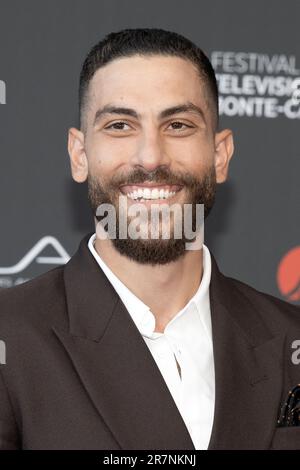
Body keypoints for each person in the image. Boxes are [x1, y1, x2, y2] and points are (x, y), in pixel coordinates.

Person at [0, 28, 299, 450]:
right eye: (120, 125)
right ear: (80, 155)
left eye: (177, 125)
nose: (151, 157)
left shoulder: (291, 339)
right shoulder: (10, 337)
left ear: (220, 155)